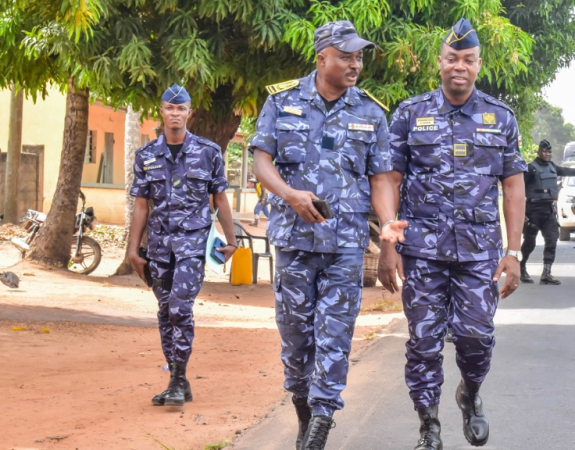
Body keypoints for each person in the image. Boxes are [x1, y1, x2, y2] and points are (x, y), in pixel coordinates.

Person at [378, 18, 527, 450]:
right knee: (423, 341)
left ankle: (470, 391)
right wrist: (389, 241)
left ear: (479, 65)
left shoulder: (500, 117)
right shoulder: (410, 114)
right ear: (439, 63)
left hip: (479, 252)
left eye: (468, 59)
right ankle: (429, 425)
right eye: (452, 58)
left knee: (476, 337)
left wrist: (513, 250)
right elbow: (389, 179)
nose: (459, 66)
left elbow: (513, 186)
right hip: (421, 250)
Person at [249, 21, 396, 450]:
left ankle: (319, 429)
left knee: (334, 335)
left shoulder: (372, 111)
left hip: (346, 245)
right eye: (347, 55)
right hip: (293, 242)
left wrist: (387, 230)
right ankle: (303, 412)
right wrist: (290, 195)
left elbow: (382, 180)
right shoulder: (282, 101)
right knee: (296, 339)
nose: (356, 63)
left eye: (359, 56)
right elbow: (261, 161)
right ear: (322, 57)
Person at [127, 84, 237, 407]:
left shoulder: (208, 152)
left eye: (181, 108)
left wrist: (231, 240)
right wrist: (134, 250)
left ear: (189, 112)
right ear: (160, 111)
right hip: (159, 248)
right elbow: (141, 206)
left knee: (179, 307)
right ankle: (179, 378)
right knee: (164, 311)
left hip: (193, 246)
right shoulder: (146, 156)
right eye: (169, 108)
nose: (175, 114)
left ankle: (176, 379)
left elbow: (219, 198)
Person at [520, 140, 575, 285]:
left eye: (549, 152)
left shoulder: (552, 167)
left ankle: (546, 273)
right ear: (538, 152)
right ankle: (522, 268)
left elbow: (564, 170)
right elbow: (519, 190)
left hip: (548, 210)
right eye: (543, 151)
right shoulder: (531, 168)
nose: (546, 154)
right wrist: (522, 211)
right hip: (532, 211)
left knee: (552, 240)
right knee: (529, 242)